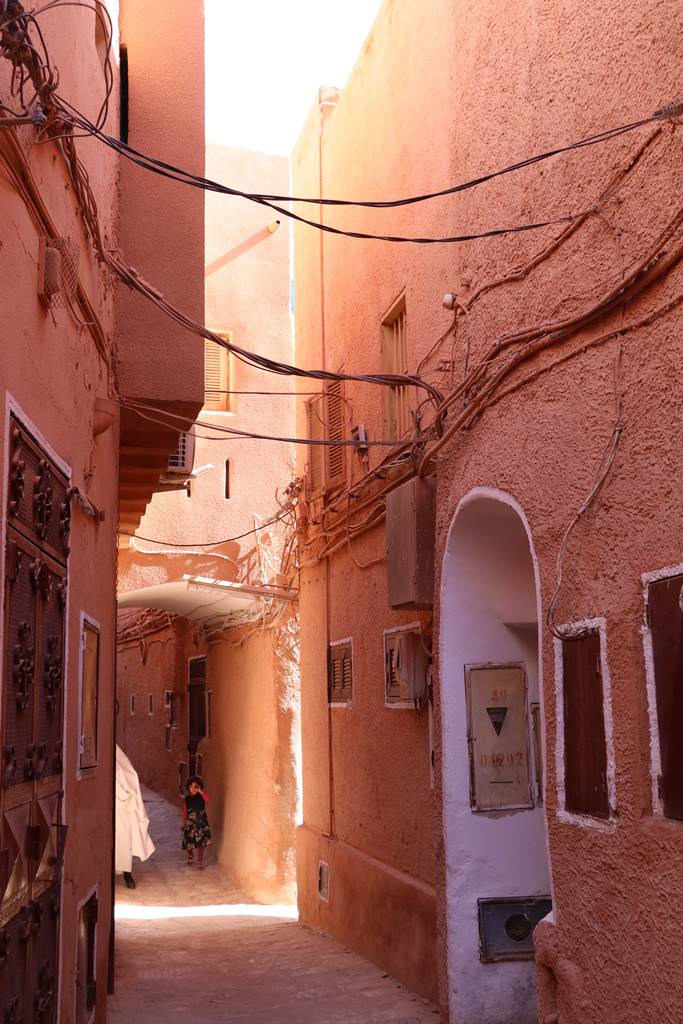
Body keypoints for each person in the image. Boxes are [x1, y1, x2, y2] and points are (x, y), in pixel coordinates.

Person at [115, 744, 155, 889]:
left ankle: (127, 873)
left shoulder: (117, 754)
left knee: (124, 839)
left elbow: (130, 773)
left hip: (122, 805)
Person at [182, 775, 211, 869]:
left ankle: (199, 862)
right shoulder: (187, 798)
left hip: (201, 822)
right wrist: (183, 822)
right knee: (189, 841)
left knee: (201, 842)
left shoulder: (201, 796)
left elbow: (208, 799)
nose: (193, 789)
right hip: (190, 823)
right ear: (188, 787)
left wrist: (201, 792)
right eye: (191, 787)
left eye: (195, 786)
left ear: (199, 787)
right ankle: (190, 855)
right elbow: (185, 811)